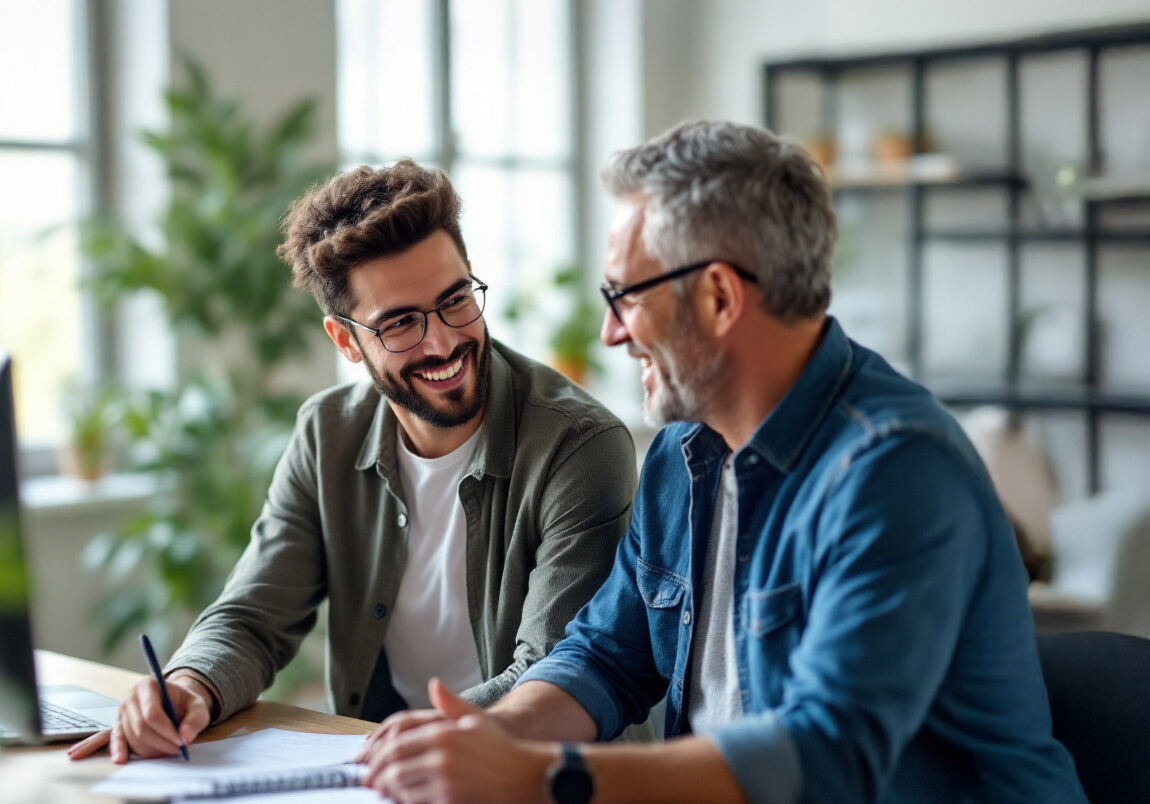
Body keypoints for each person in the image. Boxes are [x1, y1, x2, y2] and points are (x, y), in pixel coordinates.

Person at [359, 121, 1087, 804]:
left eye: (625, 297)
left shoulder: (895, 472)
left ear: (717, 297)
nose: (611, 333)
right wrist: (494, 733)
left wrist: (542, 775)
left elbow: (830, 753)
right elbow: (607, 657)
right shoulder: (684, 451)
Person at [69, 159, 636, 763]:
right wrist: (189, 687)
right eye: (400, 325)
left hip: (538, 776)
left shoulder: (578, 445)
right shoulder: (327, 434)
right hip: (393, 770)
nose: (442, 342)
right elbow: (255, 615)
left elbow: (553, 677)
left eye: (455, 301)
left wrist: (398, 746)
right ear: (345, 341)